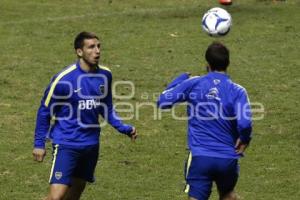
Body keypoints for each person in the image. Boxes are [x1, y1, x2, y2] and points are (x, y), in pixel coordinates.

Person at [33, 31, 137, 200]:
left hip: (90, 145)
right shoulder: (63, 80)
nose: (97, 51)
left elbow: (106, 107)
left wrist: (123, 127)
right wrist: (39, 144)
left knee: (74, 195)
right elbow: (45, 111)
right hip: (67, 143)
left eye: (98, 46)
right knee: (56, 197)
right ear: (79, 52)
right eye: (91, 47)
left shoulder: (105, 75)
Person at [157, 42, 252, 200]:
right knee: (228, 194)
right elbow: (245, 124)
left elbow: (162, 101)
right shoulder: (238, 91)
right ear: (228, 63)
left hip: (200, 157)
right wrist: (244, 139)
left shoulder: (194, 83)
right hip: (228, 158)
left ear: (207, 64)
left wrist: (179, 80)